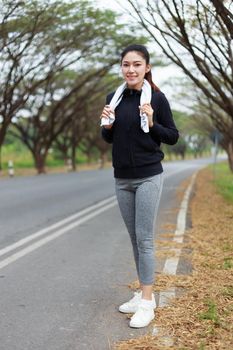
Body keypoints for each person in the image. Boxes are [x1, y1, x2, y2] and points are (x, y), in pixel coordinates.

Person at [100, 44, 179, 328]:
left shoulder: (157, 98)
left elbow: (172, 136)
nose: (130, 69)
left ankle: (147, 303)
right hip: (121, 178)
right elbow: (110, 137)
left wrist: (152, 121)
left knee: (144, 238)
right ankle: (143, 293)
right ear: (121, 68)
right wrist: (107, 127)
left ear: (146, 67)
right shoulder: (114, 98)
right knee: (134, 238)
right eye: (125, 64)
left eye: (136, 64)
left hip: (148, 176)